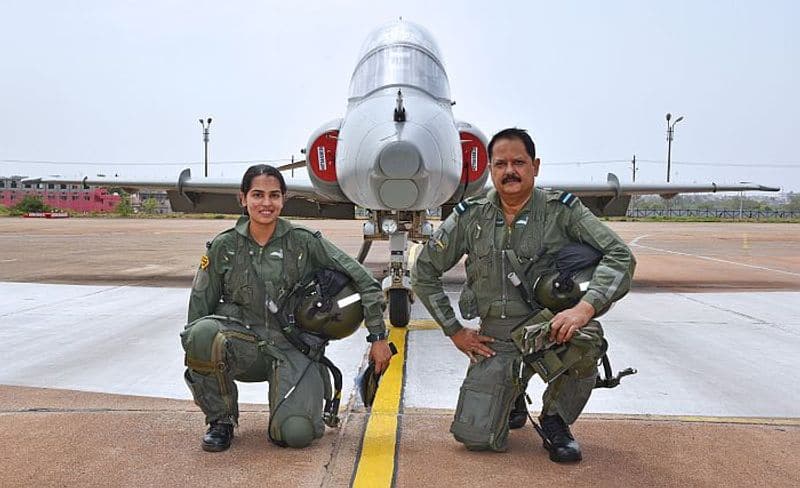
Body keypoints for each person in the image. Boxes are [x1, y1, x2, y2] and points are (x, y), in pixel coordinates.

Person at [411, 128, 635, 462]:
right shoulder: (470, 216)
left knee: (588, 340)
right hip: (495, 341)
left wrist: (584, 309)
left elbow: (620, 255)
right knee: (474, 438)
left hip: (549, 330)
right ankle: (512, 396)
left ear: (535, 166)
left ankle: (555, 419)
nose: (509, 171)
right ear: (490, 169)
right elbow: (423, 270)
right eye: (500, 164)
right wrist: (454, 330)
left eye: (519, 162)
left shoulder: (562, 211)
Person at [181, 164, 393, 452]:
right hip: (243, 346)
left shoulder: (303, 242)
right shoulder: (224, 247)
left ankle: (300, 398)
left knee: (296, 434)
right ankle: (221, 420)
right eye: (257, 195)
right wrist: (199, 351)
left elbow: (366, 282)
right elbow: (198, 314)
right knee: (203, 334)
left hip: (294, 348)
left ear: (284, 199)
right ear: (243, 199)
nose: (266, 203)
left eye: (274, 195)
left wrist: (378, 338)